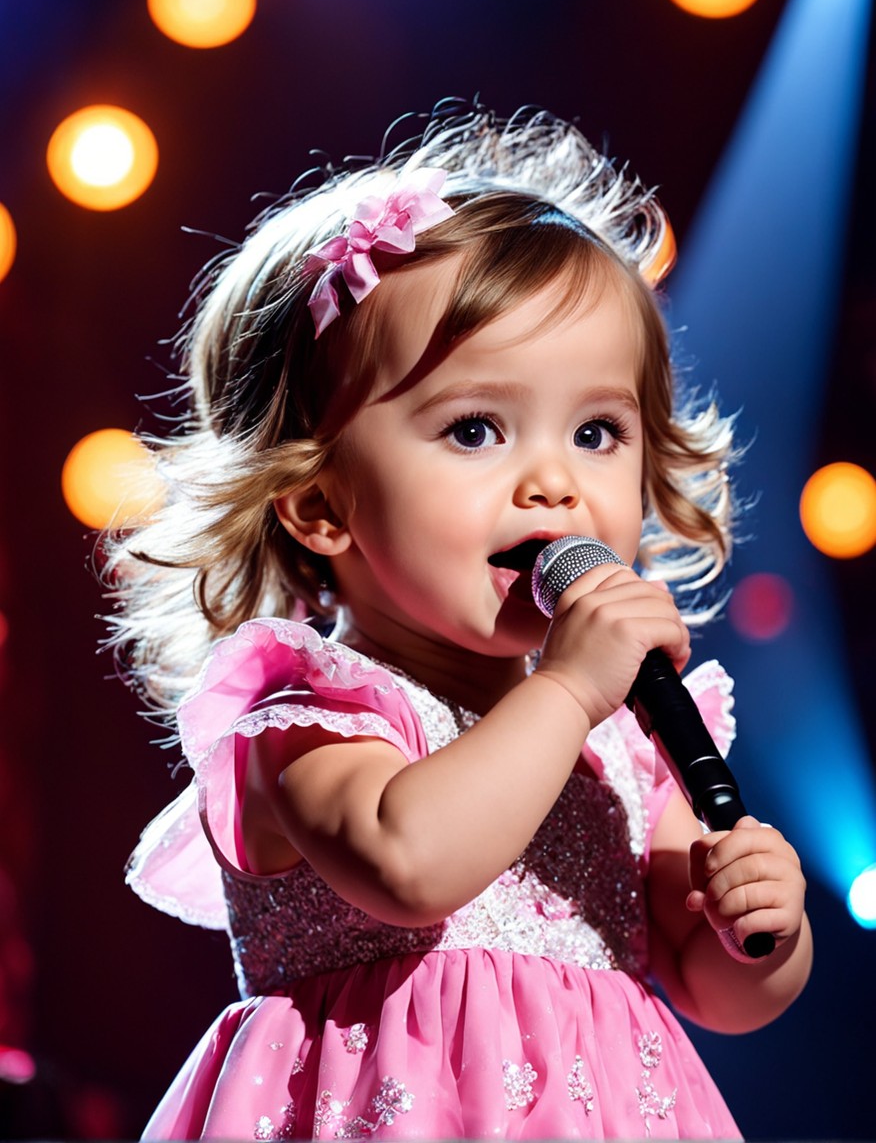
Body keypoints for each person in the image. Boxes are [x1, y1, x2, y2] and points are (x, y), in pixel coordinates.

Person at [107, 101, 812, 1140]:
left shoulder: (623, 742)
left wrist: (763, 924)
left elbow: (718, 989)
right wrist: (568, 689)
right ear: (317, 501)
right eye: (476, 428)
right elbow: (411, 860)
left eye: (597, 431)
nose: (553, 483)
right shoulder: (309, 713)